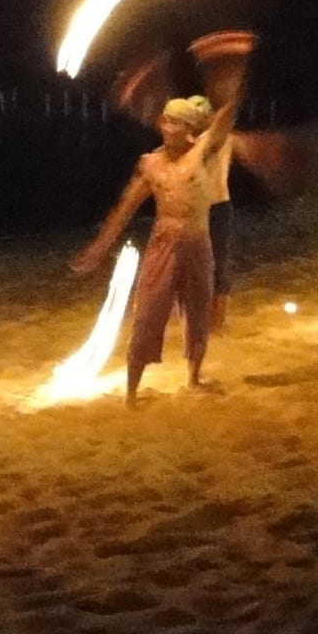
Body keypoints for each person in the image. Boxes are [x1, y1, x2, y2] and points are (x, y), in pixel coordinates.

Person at [71, 92, 240, 403]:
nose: (167, 126)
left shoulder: (202, 154)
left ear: (189, 129)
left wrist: (232, 87)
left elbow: (224, 120)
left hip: (198, 245)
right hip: (163, 246)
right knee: (148, 312)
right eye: (166, 120)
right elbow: (125, 208)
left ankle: (194, 377)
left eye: (176, 122)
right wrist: (99, 248)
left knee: (198, 313)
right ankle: (132, 391)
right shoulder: (151, 164)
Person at [203, 118, 237, 332]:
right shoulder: (199, 141)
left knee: (219, 263)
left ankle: (217, 321)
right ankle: (209, 319)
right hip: (201, 207)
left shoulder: (218, 139)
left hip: (218, 206)